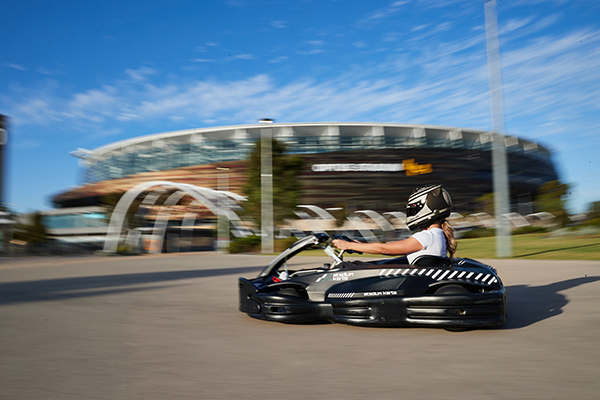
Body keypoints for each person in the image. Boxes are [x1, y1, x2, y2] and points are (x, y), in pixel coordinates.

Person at [333, 184, 457, 264]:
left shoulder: (427, 237)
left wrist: (348, 246)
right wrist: (360, 245)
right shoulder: (438, 235)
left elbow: (384, 249)